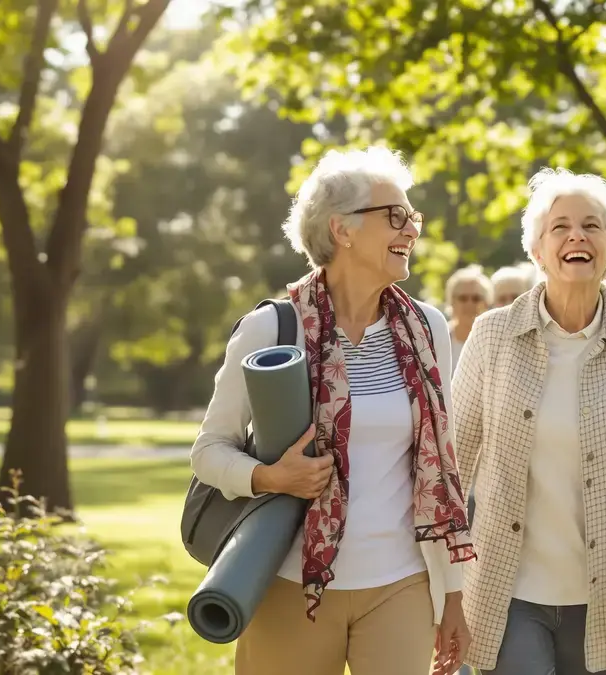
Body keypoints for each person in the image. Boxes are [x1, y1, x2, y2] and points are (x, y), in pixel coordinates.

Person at [190, 147, 473, 675]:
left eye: (413, 217)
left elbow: (443, 464)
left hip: (402, 582)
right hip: (291, 582)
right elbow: (208, 453)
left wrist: (452, 595)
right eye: (396, 216)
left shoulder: (427, 329)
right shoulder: (272, 328)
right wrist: (271, 477)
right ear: (342, 230)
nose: (411, 229)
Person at [453, 167, 606, 675]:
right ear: (538, 250)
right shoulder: (493, 336)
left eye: (592, 226)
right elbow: (453, 456)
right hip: (507, 591)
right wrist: (441, 577)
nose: (576, 236)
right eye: (559, 227)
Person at [445, 264, 494, 367]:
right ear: (452, 301)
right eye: (463, 298)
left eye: (476, 298)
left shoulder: (493, 342)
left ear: (486, 303)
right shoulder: (439, 338)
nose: (469, 304)